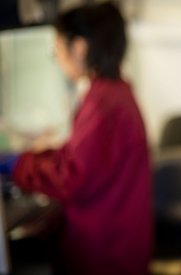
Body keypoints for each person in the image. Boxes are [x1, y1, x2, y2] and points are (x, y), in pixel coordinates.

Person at [1, 2, 153, 275]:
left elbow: (71, 177)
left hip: (105, 250)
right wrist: (37, 157)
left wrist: (20, 165)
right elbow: (82, 155)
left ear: (80, 47)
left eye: (57, 48)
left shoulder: (103, 103)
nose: (57, 57)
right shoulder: (113, 91)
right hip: (117, 236)